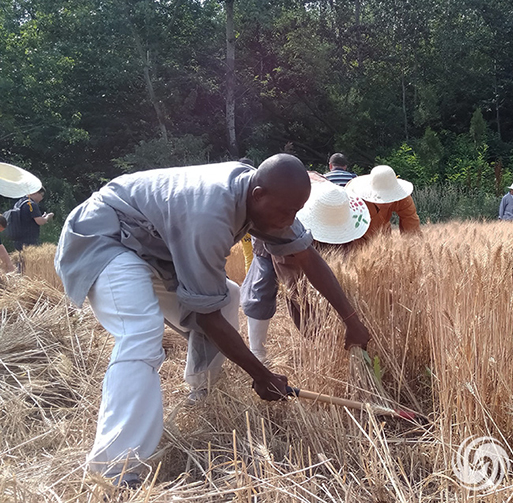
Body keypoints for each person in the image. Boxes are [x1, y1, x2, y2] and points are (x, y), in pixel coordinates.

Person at [54, 154, 370, 487]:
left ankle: (202, 394)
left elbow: (308, 257)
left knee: (229, 294)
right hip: (106, 238)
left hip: (151, 250)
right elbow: (206, 317)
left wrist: (352, 321)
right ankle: (115, 469)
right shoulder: (209, 215)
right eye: (284, 212)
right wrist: (262, 376)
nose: (288, 221)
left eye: (295, 212)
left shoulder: (267, 200)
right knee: (141, 333)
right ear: (258, 194)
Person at [243, 178, 370, 363]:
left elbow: (346, 261)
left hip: (317, 207)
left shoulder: (338, 205)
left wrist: (348, 317)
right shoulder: (284, 225)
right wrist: (318, 331)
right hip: (270, 230)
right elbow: (294, 288)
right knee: (263, 284)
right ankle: (257, 353)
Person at [345, 165, 421, 242]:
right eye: (380, 197)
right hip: (357, 236)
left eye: (389, 196)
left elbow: (412, 227)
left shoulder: (404, 198)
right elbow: (349, 230)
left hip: (383, 235)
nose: (386, 202)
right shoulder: (356, 199)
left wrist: (414, 249)